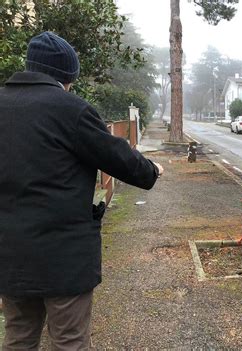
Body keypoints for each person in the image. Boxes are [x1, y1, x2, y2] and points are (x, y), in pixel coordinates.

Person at [0, 31, 163, 350]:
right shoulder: (70, 109)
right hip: (63, 258)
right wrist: (151, 169)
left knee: (18, 337)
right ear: (66, 76)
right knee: (69, 341)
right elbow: (116, 155)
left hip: (10, 255)